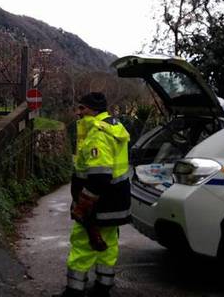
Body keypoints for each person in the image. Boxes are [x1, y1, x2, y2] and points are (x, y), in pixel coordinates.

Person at [57, 92, 132, 297]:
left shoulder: (98, 133)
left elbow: (100, 178)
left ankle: (74, 291)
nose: (78, 112)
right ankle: (103, 287)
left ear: (93, 110)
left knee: (82, 244)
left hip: (98, 204)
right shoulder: (115, 127)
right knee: (108, 244)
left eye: (82, 108)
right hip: (115, 201)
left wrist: (84, 203)